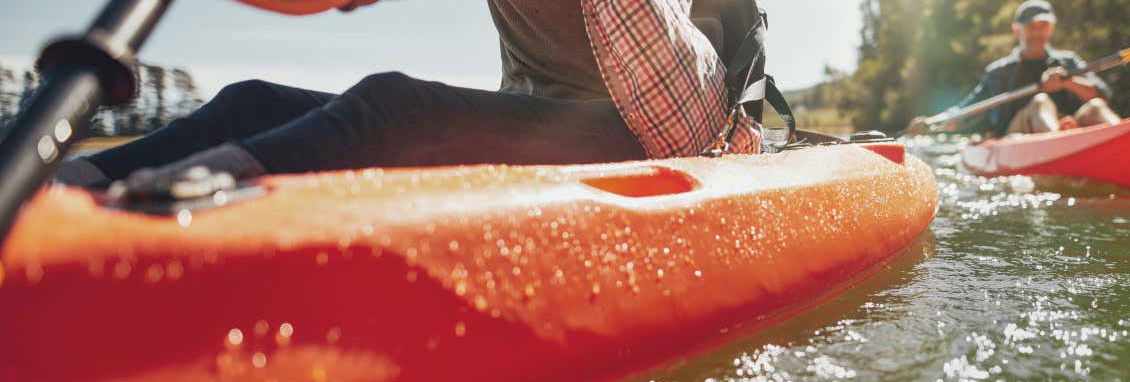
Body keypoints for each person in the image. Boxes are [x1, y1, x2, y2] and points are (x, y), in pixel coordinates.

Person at [54, 0, 763, 197]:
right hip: (547, 124)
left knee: (394, 107)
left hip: (641, 131)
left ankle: (166, 206)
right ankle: (64, 182)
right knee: (254, 99)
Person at [909, 0, 1120, 137]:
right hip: (1016, 136)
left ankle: (1124, 140)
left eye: (1043, 26)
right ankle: (1059, 141)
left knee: (1096, 107)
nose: (1037, 33)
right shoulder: (998, 71)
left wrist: (1067, 81)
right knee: (1040, 101)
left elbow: (1102, 94)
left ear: (1051, 28)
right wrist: (932, 122)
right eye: (1031, 27)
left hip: (1069, 126)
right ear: (1016, 30)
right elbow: (967, 110)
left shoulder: (1068, 61)